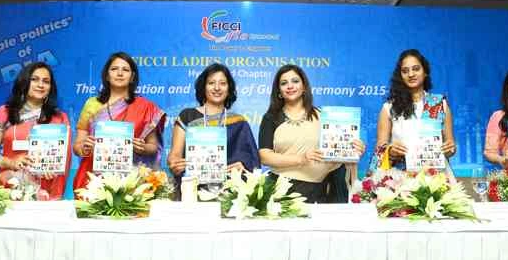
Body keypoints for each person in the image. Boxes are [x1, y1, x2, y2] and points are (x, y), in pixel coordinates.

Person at [258, 64, 364, 203]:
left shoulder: (325, 117)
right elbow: (265, 156)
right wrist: (300, 159)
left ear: (304, 87)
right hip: (280, 191)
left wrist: (353, 150)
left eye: (295, 81)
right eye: (284, 83)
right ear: (279, 91)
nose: (290, 86)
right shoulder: (271, 118)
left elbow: (337, 153)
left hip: (319, 192)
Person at [73, 52, 166, 192]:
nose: (120, 73)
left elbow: (153, 146)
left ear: (132, 77)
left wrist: (143, 148)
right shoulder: (92, 104)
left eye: (125, 70)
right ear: (107, 75)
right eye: (114, 69)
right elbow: (77, 146)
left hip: (131, 183)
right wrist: (84, 147)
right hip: (93, 181)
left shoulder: (146, 107)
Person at [167, 63, 260, 198]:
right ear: (203, 87)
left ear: (229, 88)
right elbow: (174, 155)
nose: (217, 88)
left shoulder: (239, 122)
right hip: (192, 191)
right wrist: (175, 163)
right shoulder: (187, 116)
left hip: (229, 194)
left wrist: (243, 167)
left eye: (222, 83)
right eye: (211, 83)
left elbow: (252, 161)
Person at [0, 62, 71, 200]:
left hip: (46, 189)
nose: (40, 85)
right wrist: (11, 163)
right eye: (34, 79)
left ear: (50, 87)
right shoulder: (5, 112)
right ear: (24, 82)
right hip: (10, 187)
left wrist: (54, 168)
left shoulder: (60, 118)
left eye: (46, 81)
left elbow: (65, 160)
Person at [368, 49, 456, 173]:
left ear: (425, 72)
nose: (411, 74)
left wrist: (450, 148)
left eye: (416, 69)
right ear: (400, 76)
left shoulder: (440, 104)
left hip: (436, 177)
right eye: (405, 71)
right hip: (400, 178)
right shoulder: (389, 108)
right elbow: (379, 150)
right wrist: (390, 151)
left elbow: (450, 148)